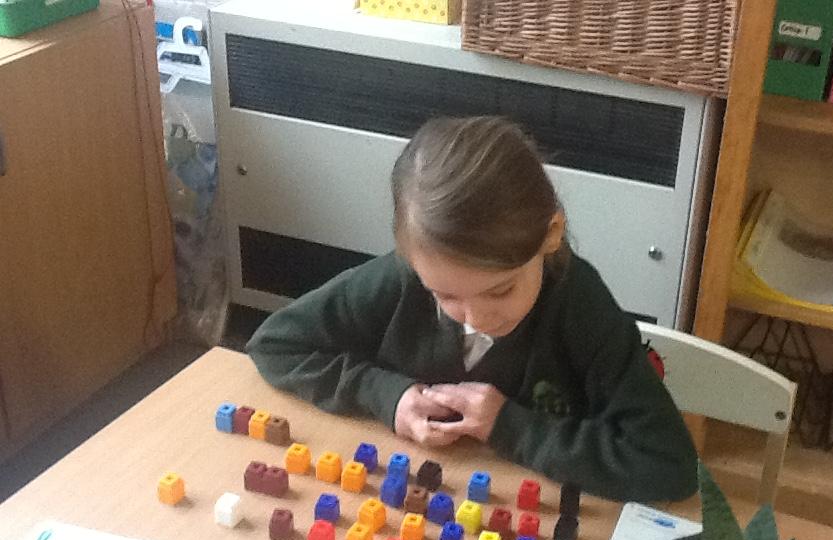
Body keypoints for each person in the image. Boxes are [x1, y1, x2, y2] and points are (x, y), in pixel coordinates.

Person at [247, 116, 697, 502]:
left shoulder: (582, 308)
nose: (476, 319)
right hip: (419, 498)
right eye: (445, 296)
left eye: (500, 291)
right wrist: (388, 396)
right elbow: (276, 344)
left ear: (551, 234)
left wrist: (509, 426)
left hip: (535, 521)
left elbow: (668, 463)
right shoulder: (402, 279)